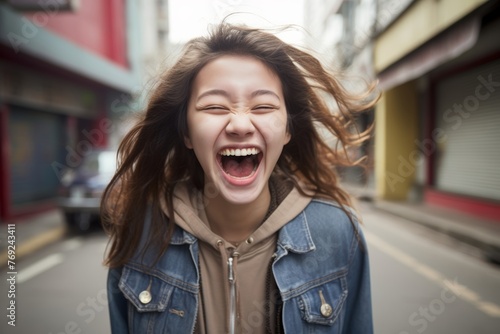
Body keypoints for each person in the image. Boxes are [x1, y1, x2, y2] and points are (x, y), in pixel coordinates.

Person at [103, 21, 377, 334]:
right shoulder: (140, 230)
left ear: (288, 129)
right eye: (215, 106)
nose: (240, 124)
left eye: (262, 105)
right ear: (186, 132)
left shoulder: (338, 233)